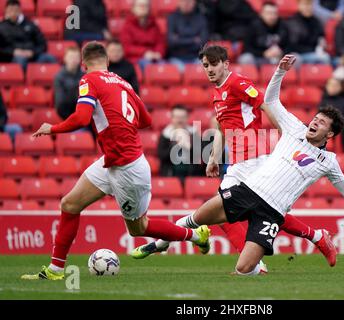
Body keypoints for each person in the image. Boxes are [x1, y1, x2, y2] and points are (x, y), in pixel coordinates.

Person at [134, 55, 344, 275]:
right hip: (247, 190)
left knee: (244, 270)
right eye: (315, 118)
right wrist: (280, 71)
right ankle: (169, 242)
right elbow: (269, 100)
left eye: (321, 123)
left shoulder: (328, 161)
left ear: (330, 134)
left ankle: (313, 237)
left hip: (272, 211)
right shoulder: (293, 127)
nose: (314, 122)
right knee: (197, 219)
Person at [21, 42, 210, 281]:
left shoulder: (89, 80)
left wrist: (53, 128)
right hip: (112, 160)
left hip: (127, 168)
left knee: (138, 229)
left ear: (83, 64)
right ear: (107, 62)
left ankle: (196, 236)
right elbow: (146, 120)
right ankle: (56, 270)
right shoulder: (123, 83)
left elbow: (81, 117)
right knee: (69, 204)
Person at [0, 0, 56, 69]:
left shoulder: (30, 24)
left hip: (33, 56)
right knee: (21, 59)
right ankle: (22, 79)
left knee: (49, 58)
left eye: (15, 9)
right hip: (13, 58)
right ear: (6, 10)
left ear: (20, 10)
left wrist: (32, 52)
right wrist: (13, 52)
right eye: (11, 9)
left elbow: (43, 44)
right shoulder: (1, 27)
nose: (13, 12)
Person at [157, 105, 203, 180]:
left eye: (182, 117)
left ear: (187, 118)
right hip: (170, 174)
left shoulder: (194, 133)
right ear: (172, 118)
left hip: (192, 175)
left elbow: (200, 155)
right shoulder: (165, 134)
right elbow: (161, 155)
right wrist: (176, 146)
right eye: (177, 117)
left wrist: (189, 147)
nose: (180, 120)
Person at [238, 1, 289, 66]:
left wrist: (281, 52)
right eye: (269, 13)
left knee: (294, 57)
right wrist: (263, 53)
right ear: (261, 14)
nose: (272, 16)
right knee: (246, 58)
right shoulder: (253, 26)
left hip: (278, 58)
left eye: (274, 13)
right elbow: (246, 48)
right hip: (259, 58)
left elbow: (290, 46)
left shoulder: (283, 26)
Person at [120, 0, 166, 70]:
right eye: (140, 5)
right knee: (150, 67)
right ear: (133, 9)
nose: (143, 8)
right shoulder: (127, 26)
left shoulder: (154, 24)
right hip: (136, 59)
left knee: (165, 66)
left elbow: (160, 43)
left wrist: (158, 53)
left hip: (154, 58)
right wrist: (145, 52)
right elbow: (127, 47)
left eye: (145, 5)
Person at [167, 0, 208, 72]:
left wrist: (179, 40)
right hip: (176, 58)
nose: (186, 3)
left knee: (205, 70)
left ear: (194, 3)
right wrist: (193, 40)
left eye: (189, 1)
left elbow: (203, 43)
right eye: (183, 1)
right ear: (179, 2)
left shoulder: (201, 18)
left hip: (196, 58)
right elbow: (171, 43)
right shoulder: (172, 18)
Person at [286, 0, 330, 66]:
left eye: (309, 4)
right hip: (297, 53)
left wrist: (322, 44)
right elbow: (292, 45)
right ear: (299, 6)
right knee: (295, 58)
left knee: (326, 57)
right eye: (305, 4)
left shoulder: (316, 21)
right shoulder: (292, 21)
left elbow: (321, 37)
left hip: (313, 53)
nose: (307, 7)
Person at [54, 46, 84, 120]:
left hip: (85, 116)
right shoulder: (59, 77)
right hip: (68, 117)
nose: (73, 60)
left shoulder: (85, 76)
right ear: (65, 58)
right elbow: (60, 104)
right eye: (71, 57)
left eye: (76, 57)